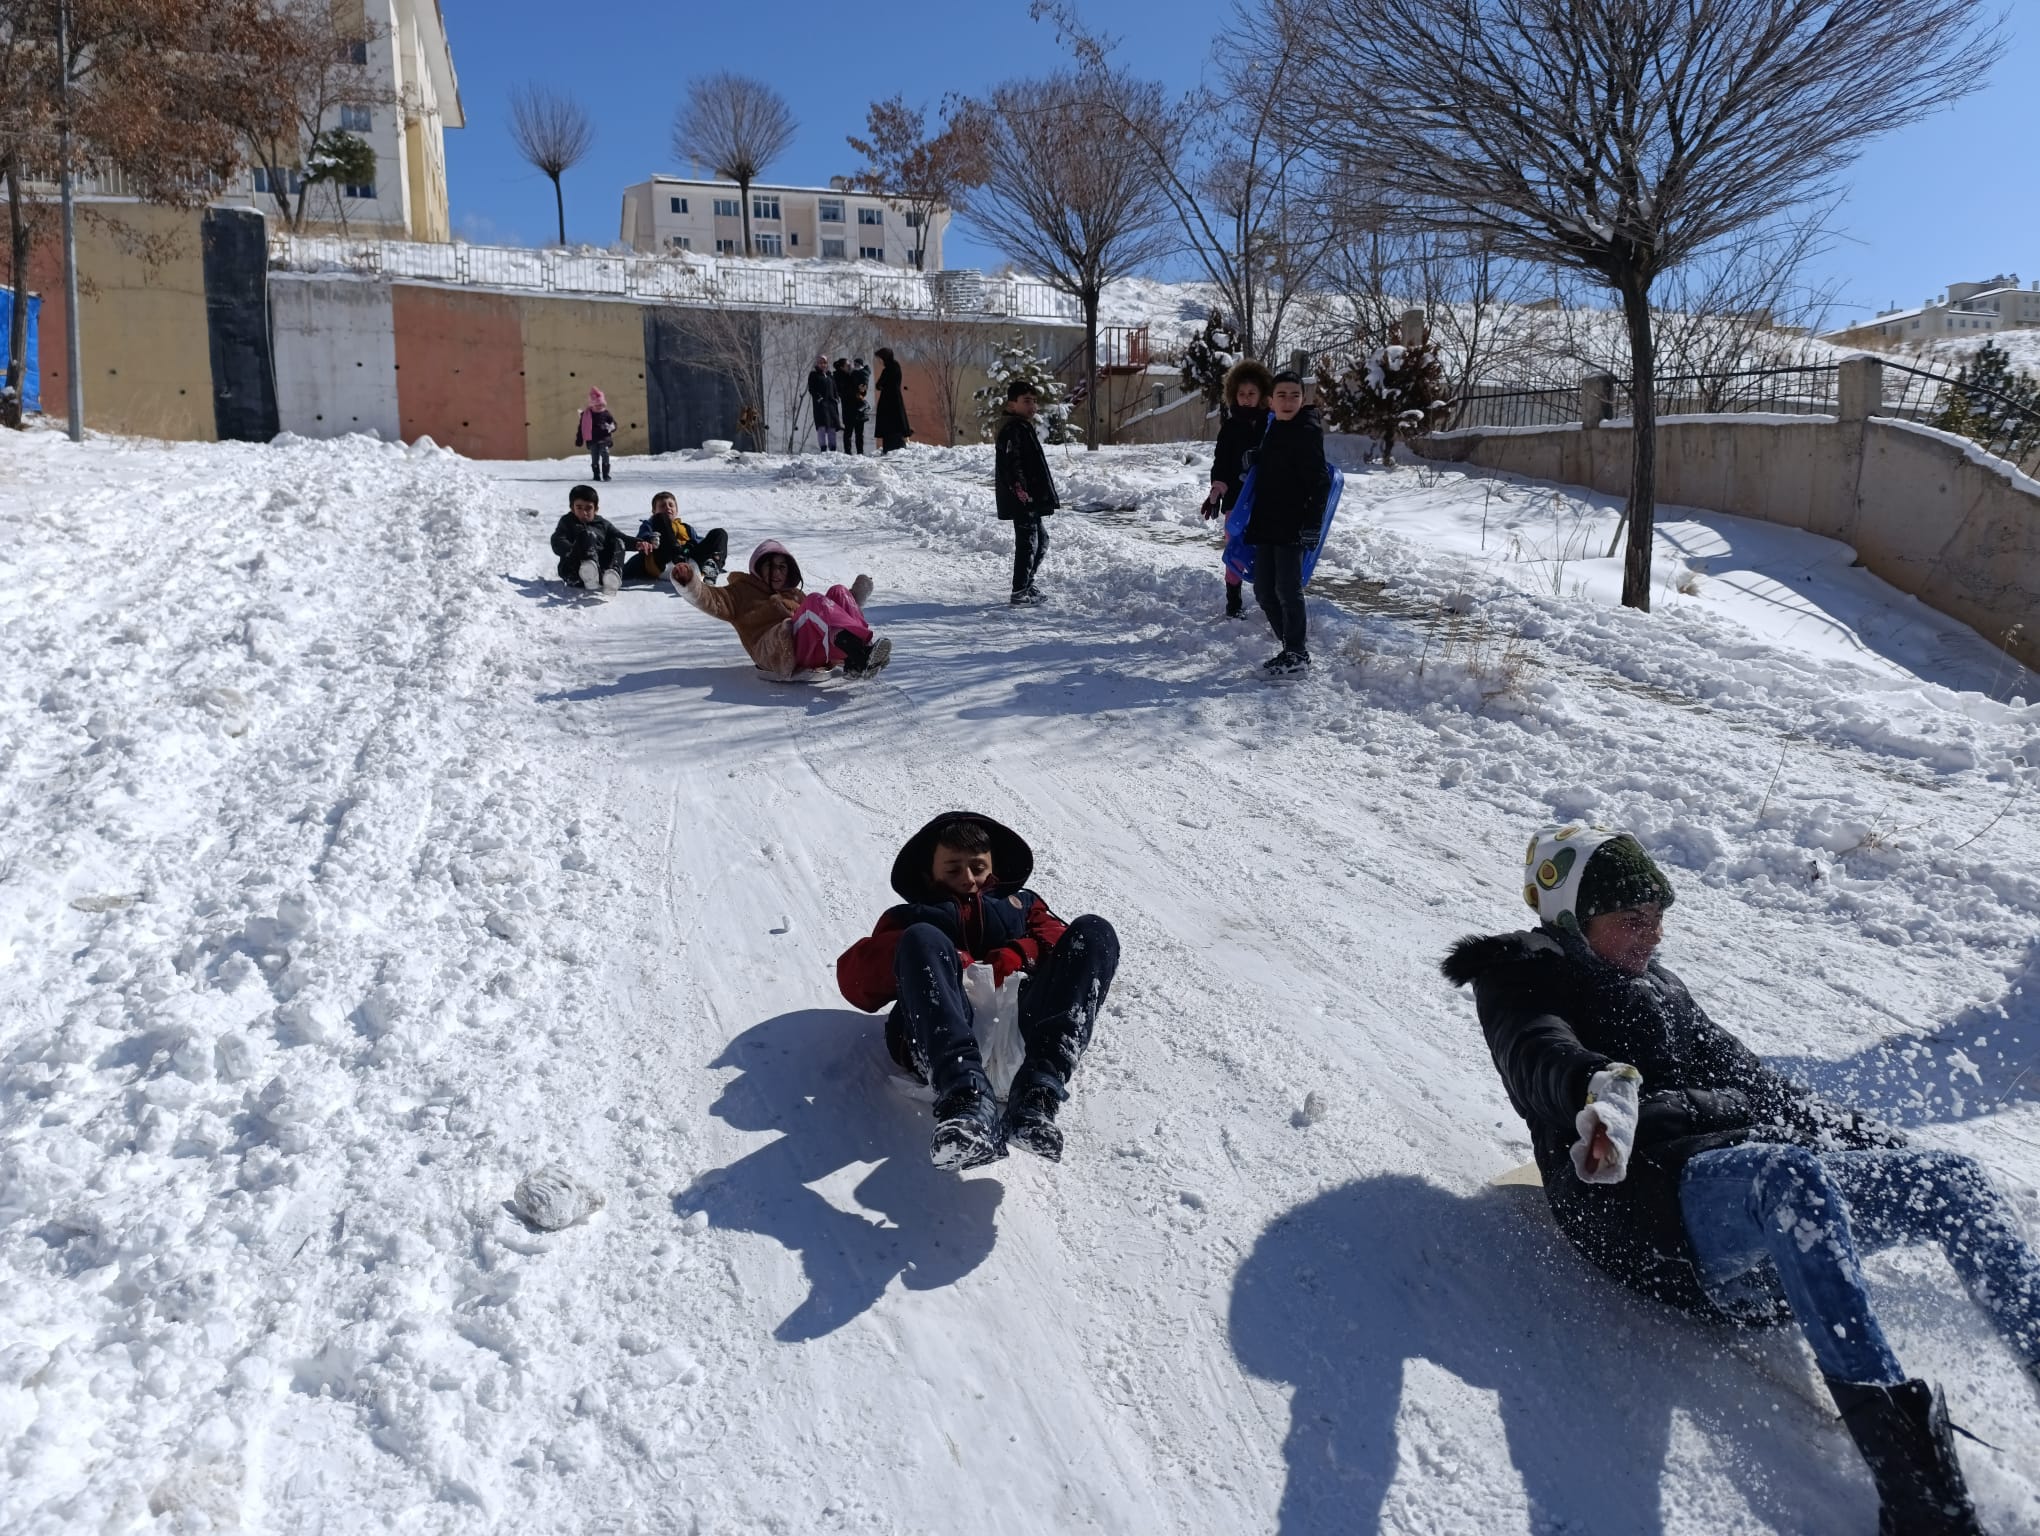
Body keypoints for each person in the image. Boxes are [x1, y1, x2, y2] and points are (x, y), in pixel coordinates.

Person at [1443, 825, 2040, 1535]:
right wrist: (1598, 1087)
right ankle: (1916, 1495)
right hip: (1648, 1220)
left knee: (1948, 1178)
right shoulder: (1523, 973)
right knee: (1790, 1178)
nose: (1651, 936)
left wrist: (1883, 1150)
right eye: (1631, 920)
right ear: (1572, 916)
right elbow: (1537, 1052)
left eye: (1658, 918)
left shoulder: (1660, 987)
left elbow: (1765, 1091)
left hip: (1745, 1203)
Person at [836, 813, 1118, 1170]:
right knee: (923, 937)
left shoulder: (1023, 905)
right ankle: (965, 1101)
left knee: (1095, 931)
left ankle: (1037, 1094)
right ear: (929, 873)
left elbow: (1065, 946)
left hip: (1022, 1037)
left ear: (993, 866)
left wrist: (1021, 952)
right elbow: (856, 984)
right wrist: (944, 957)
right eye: (953, 869)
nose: (968, 879)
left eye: (978, 867)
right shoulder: (910, 917)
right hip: (945, 1041)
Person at [669, 538, 891, 681]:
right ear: (758, 566)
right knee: (816, 602)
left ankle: (858, 657)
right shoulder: (740, 592)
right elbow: (711, 599)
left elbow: (825, 619)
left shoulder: (793, 594)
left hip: (811, 649)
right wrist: (689, 582)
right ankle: (861, 651)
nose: (777, 573)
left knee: (838, 591)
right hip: (779, 650)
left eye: (782, 567)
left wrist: (850, 599)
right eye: (770, 566)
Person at [1240, 370, 1330, 676]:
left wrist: (1312, 524)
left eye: (1295, 395)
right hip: (1267, 521)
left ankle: (1296, 652)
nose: (1288, 401)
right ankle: (1290, 646)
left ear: (1303, 399)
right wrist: (1258, 457)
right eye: (1282, 395)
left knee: (1288, 589)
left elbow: (1320, 482)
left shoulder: (1306, 430)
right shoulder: (1276, 427)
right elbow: (1279, 462)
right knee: (1264, 590)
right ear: (1270, 401)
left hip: (1293, 523)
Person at [1202, 359, 1274, 620]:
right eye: (1241, 394)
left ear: (1262, 395)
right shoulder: (1230, 427)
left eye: (1251, 393)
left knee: (1266, 552)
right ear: (1234, 395)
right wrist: (1217, 489)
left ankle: (1271, 600)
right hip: (1236, 501)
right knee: (1236, 551)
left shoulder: (1272, 424)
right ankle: (1234, 602)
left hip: (1267, 501)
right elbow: (1221, 462)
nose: (1246, 399)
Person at [993, 378, 1059, 606]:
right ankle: (1019, 590)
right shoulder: (1012, 429)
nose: (1033, 406)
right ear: (1012, 405)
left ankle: (1026, 584)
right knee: (1029, 543)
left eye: (1035, 402)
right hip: (1023, 498)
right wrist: (1022, 493)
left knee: (1041, 540)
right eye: (1027, 401)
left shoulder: (1021, 427)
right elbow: (1012, 465)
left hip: (1030, 497)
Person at [621, 490, 728, 585]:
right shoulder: (652, 523)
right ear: (654, 511)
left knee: (719, 533)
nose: (667, 508)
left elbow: (698, 542)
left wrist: (693, 546)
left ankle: (712, 568)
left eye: (671, 505)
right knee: (661, 518)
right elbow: (642, 538)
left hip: (689, 561)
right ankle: (677, 554)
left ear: (676, 510)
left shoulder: (686, 527)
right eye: (662, 506)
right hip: (664, 561)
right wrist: (650, 540)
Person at [549, 483, 628, 596]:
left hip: (600, 574)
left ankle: (612, 577)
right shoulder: (567, 522)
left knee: (618, 542)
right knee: (587, 535)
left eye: (588, 508)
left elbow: (622, 537)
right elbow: (558, 540)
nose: (584, 512)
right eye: (579, 507)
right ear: (572, 508)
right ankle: (589, 570)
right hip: (574, 571)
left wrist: (640, 543)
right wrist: (574, 551)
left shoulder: (602, 524)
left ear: (596, 509)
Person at [873, 346, 912, 454]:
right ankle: (897, 446)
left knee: (889, 426)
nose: (879, 361)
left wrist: (881, 385)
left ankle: (890, 448)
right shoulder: (895, 366)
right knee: (896, 424)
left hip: (888, 400)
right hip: (895, 400)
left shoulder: (889, 368)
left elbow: (879, 384)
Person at [576, 387, 617, 482]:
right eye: (597, 405)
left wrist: (612, 427)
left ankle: (606, 475)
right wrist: (579, 439)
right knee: (594, 457)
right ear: (592, 405)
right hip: (592, 440)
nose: (600, 407)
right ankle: (596, 475)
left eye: (602, 405)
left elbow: (614, 423)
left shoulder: (606, 413)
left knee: (605, 454)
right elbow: (581, 428)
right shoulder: (586, 415)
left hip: (604, 438)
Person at [806, 355, 840, 453]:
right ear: (817, 364)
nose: (823, 365)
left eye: (824, 363)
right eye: (820, 363)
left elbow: (835, 388)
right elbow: (811, 388)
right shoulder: (814, 375)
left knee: (832, 426)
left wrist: (836, 397)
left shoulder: (829, 375)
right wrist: (818, 398)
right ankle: (823, 448)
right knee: (822, 426)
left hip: (831, 405)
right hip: (820, 405)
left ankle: (833, 448)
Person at [834, 358, 867, 456]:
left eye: (850, 365)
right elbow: (844, 391)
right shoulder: (839, 376)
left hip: (858, 407)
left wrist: (862, 390)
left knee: (859, 433)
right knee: (848, 432)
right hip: (848, 408)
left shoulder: (853, 374)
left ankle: (860, 452)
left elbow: (861, 389)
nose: (850, 367)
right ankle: (848, 453)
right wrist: (856, 392)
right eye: (847, 365)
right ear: (842, 367)